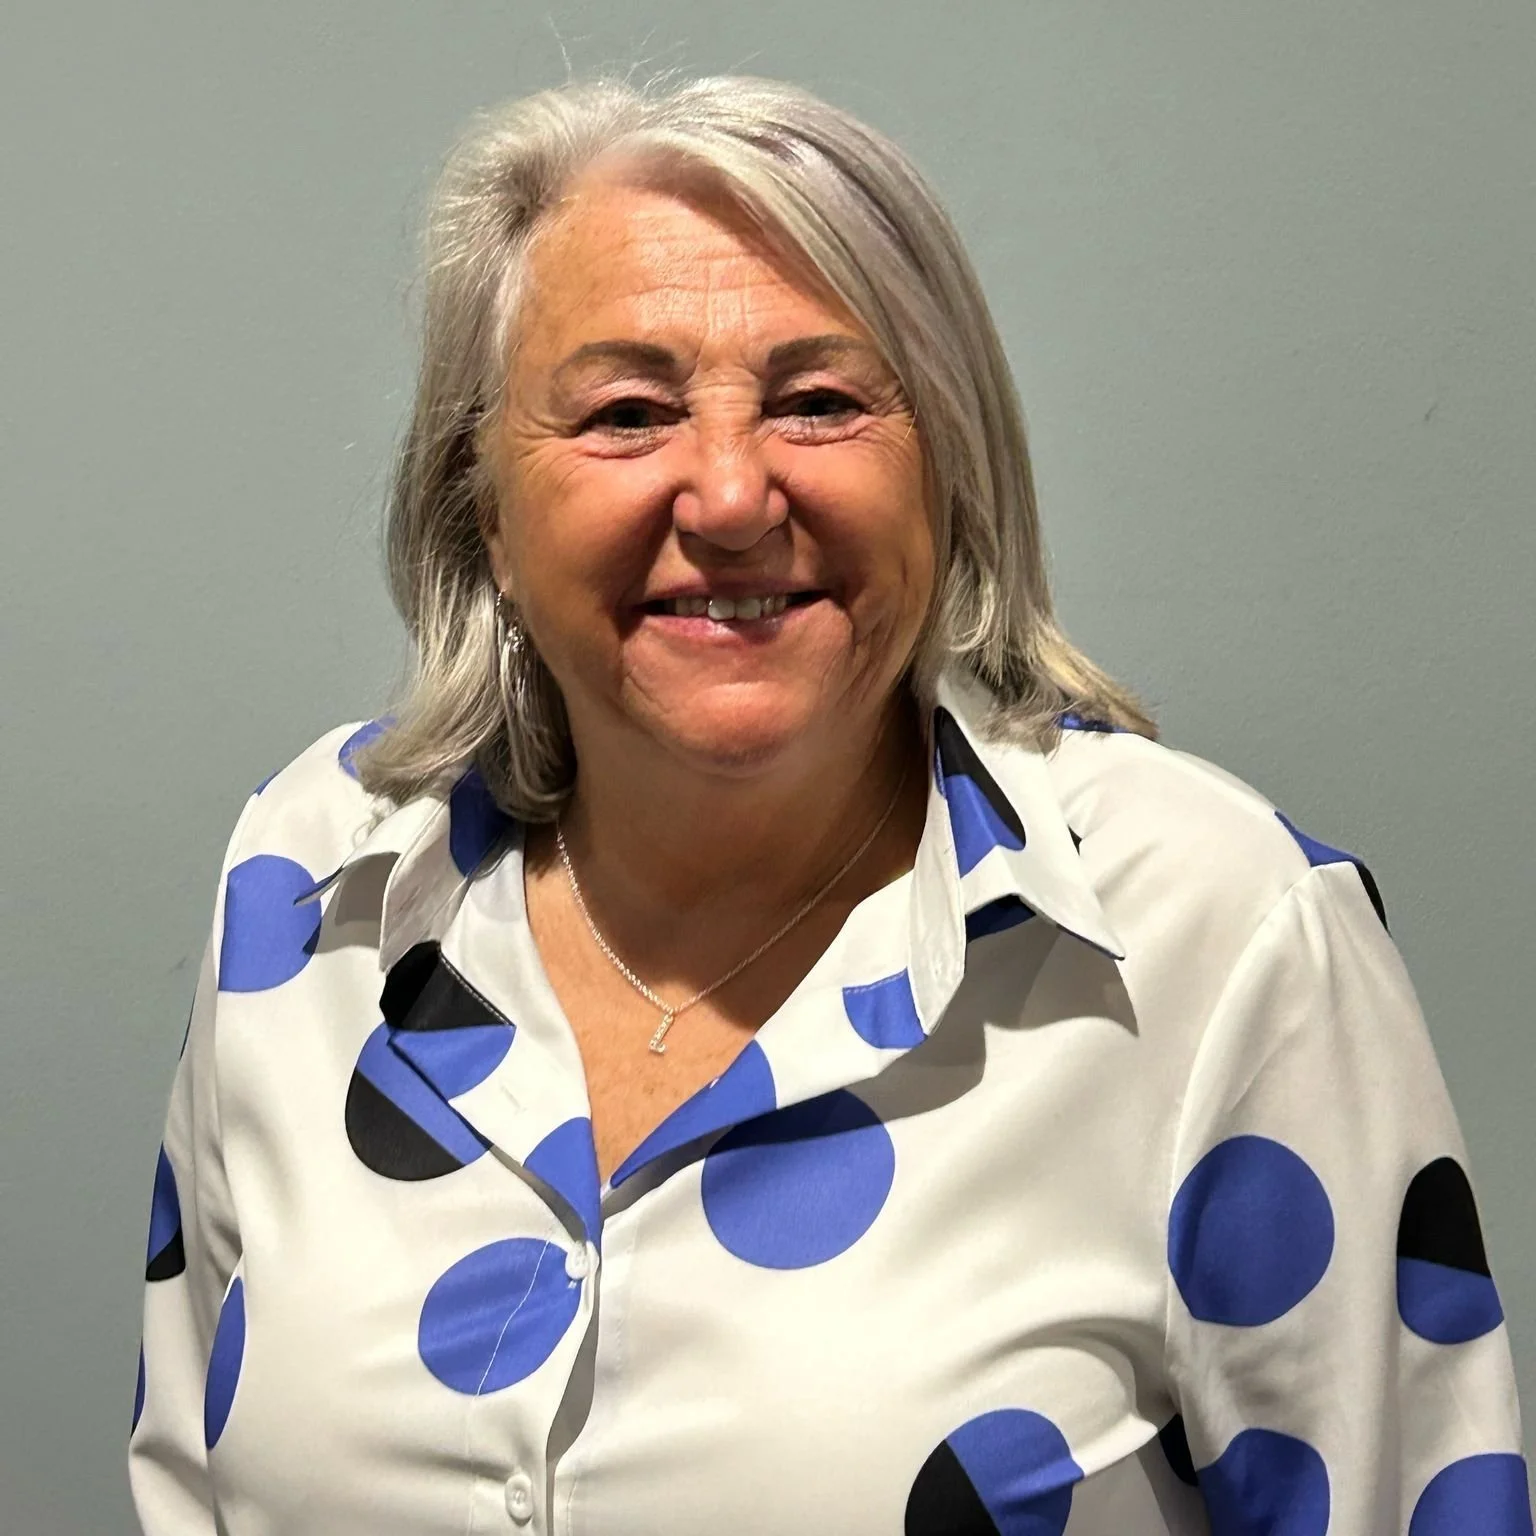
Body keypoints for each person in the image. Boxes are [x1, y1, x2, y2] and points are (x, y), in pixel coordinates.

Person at [128, 72, 1530, 1536]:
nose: (731, 494)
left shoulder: (1215, 935)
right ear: (482, 500)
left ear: (948, 469)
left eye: (819, 401)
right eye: (625, 411)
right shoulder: (307, 887)